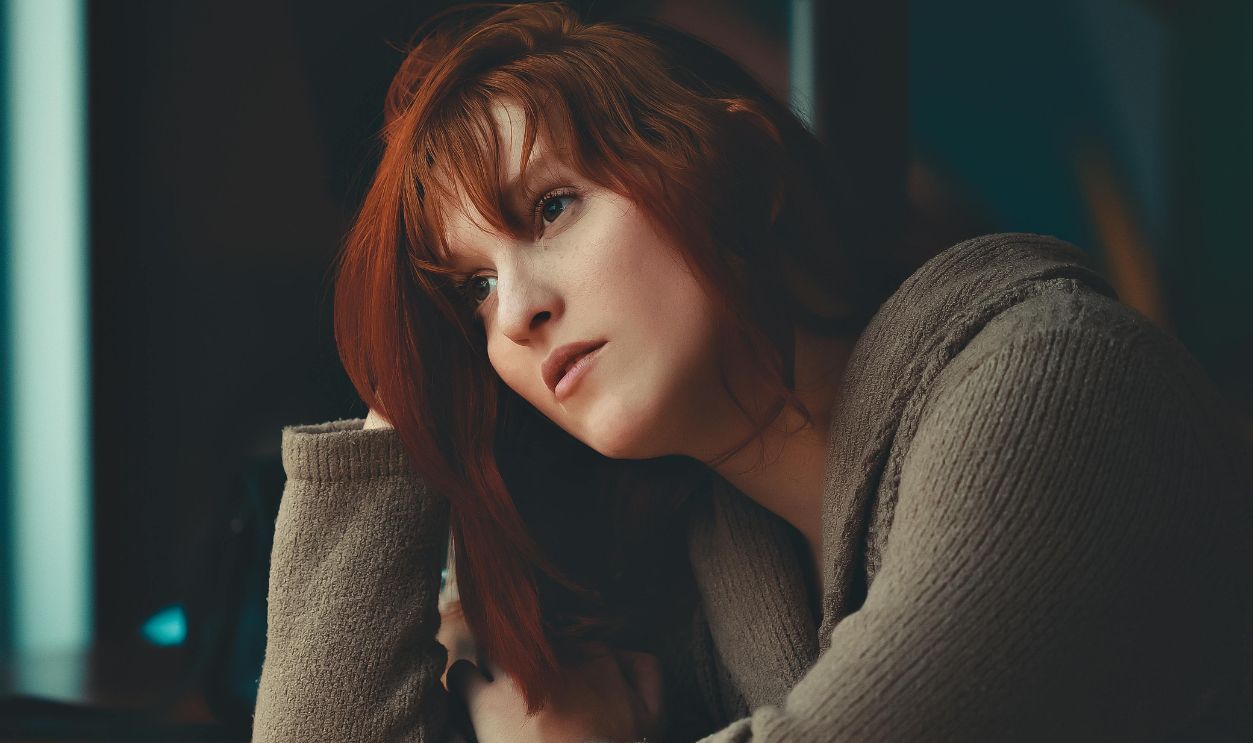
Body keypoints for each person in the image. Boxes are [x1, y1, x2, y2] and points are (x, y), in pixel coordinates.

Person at [251, 2, 1253, 741]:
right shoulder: (721, 593)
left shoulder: (1056, 391)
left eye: (550, 208)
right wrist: (405, 408)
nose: (514, 312)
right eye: (469, 291)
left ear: (731, 165)